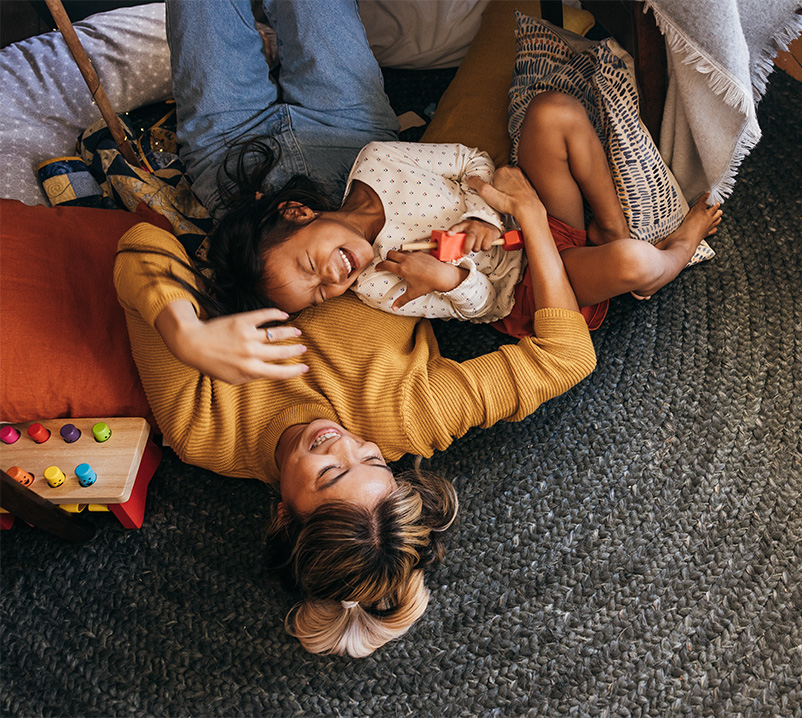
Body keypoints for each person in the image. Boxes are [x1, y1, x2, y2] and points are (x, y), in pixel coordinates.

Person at [130, 0, 595, 659]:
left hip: (240, 177)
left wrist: (184, 334)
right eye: (371, 461)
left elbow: (141, 247)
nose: (345, 442)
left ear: (284, 514)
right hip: (358, 155)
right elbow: (565, 358)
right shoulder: (408, 418)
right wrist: (534, 220)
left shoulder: (204, 430)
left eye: (328, 472)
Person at [205, 93, 723, 339]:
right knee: (634, 262)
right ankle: (670, 259)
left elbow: (471, 162)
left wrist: (486, 217)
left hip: (522, 219)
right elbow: (485, 308)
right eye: (318, 295)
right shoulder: (384, 284)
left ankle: (607, 224)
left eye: (307, 267)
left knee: (553, 112)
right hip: (534, 286)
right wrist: (449, 278)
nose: (331, 280)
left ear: (296, 212)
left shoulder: (378, 161)